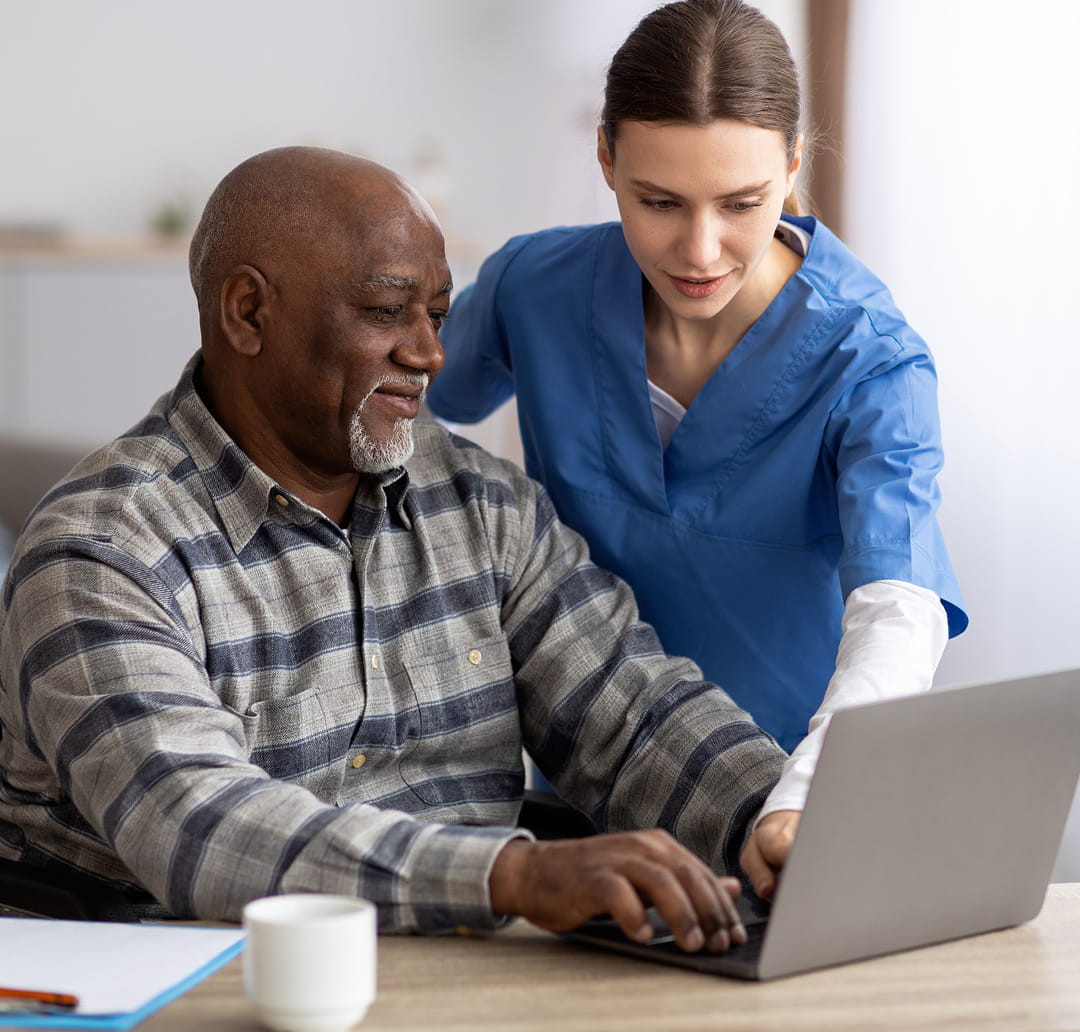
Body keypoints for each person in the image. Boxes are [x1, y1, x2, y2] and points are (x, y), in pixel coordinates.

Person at [0, 146, 794, 952]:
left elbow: (633, 715)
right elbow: (198, 825)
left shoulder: (483, 504)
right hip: (197, 986)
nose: (430, 354)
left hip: (466, 976)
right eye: (386, 313)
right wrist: (515, 878)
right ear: (247, 313)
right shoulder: (98, 554)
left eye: (439, 316)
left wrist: (785, 817)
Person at [426, 0, 967, 818]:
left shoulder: (871, 359)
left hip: (785, 797)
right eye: (660, 202)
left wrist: (807, 797)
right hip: (583, 797)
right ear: (605, 158)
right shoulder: (532, 290)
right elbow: (406, 400)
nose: (700, 251)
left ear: (792, 167)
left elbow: (899, 604)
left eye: (742, 204)